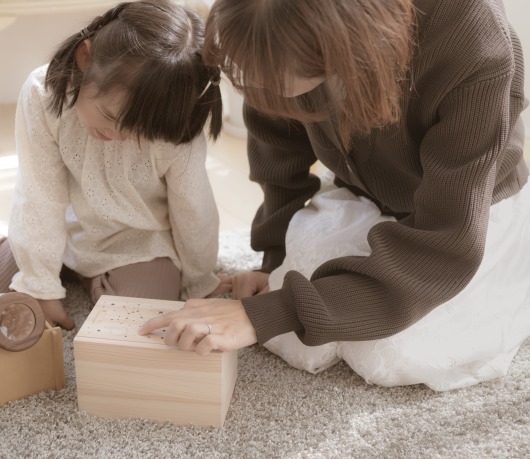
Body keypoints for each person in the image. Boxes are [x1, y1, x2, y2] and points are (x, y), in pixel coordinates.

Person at [140, 0, 530, 390]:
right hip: (366, 192)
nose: (262, 89)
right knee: (300, 340)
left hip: (465, 210)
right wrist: (271, 259)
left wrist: (266, 313)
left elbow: (447, 242)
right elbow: (279, 148)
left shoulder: (469, 33)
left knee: (393, 356)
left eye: (277, 78)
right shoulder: (267, 26)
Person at [0, 0, 225, 330]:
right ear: (85, 57)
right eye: (112, 117)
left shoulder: (176, 126)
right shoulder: (42, 94)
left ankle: (89, 278)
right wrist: (39, 285)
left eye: (139, 131)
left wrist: (200, 280)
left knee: (140, 317)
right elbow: (39, 195)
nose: (119, 135)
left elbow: (194, 210)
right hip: (65, 230)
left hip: (139, 245)